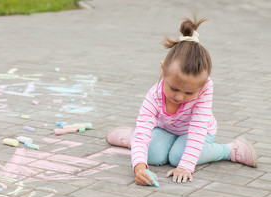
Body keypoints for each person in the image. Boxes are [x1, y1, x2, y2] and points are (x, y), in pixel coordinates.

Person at [106, 17, 257, 185]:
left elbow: (198, 129)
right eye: (174, 88)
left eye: (189, 92)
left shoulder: (205, 88)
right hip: (166, 130)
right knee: (153, 155)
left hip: (198, 132)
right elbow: (144, 134)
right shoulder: (154, 95)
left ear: (202, 84)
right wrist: (140, 168)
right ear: (163, 70)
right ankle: (131, 137)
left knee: (177, 156)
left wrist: (185, 166)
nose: (179, 97)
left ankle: (230, 150)